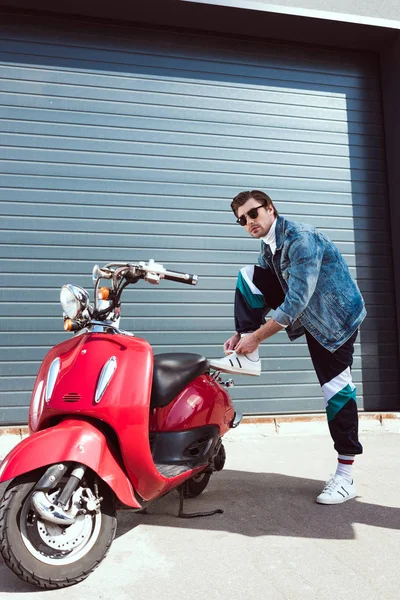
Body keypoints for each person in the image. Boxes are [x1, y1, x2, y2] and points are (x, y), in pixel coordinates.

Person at [209, 190, 366, 505]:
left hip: (335, 321)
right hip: (310, 317)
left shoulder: (300, 239)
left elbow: (296, 300)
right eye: (242, 220)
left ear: (270, 208)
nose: (249, 223)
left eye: (253, 214)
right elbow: (263, 292)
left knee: (336, 391)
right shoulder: (268, 248)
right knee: (248, 277)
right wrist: (243, 334)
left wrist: (257, 336)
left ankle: (345, 476)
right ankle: (248, 357)